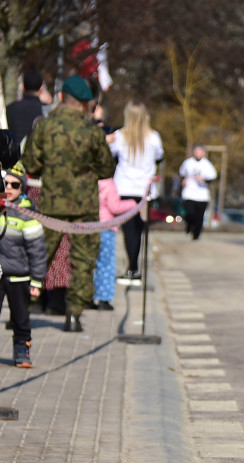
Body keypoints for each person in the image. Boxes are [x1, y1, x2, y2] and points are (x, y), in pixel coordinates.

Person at [21, 75, 116, 333]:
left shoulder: (44, 127)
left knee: (38, 258)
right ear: (85, 103)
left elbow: (31, 165)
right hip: (84, 206)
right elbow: (107, 168)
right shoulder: (92, 133)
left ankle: (23, 309)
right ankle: (73, 316)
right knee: (83, 260)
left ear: (62, 98)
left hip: (52, 205)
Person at [108, 100, 163, 285]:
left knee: (129, 231)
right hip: (143, 190)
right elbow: (159, 156)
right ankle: (134, 267)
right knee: (137, 231)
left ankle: (132, 268)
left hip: (125, 188)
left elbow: (111, 154)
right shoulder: (154, 137)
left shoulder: (120, 136)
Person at [1, 162, 47, 367]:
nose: (9, 188)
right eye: (5, 184)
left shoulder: (27, 215)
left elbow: (37, 251)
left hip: (19, 275)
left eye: (15, 185)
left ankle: (22, 349)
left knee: (20, 317)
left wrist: (37, 281)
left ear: (23, 189)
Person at [93, 177, 137, 310]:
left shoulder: (89, 180)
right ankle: (104, 299)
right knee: (106, 264)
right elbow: (114, 206)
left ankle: (87, 296)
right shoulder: (109, 184)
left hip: (89, 226)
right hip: (106, 227)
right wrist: (132, 203)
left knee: (90, 263)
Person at [178, 144, 217, 240]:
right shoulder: (187, 163)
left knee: (199, 217)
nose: (199, 153)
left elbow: (213, 178)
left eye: (200, 151)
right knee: (190, 214)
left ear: (203, 153)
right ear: (194, 152)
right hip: (189, 194)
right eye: (197, 151)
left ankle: (196, 235)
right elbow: (181, 174)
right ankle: (189, 225)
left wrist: (203, 179)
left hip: (202, 195)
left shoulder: (207, 165)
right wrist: (183, 180)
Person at [5, 71, 50, 146]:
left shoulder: (10, 108)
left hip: (16, 154)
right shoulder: (46, 109)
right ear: (41, 88)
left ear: (23, 87)